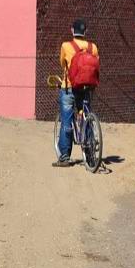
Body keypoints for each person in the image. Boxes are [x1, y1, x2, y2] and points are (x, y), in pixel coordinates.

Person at [54, 19, 99, 167]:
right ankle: (91, 152)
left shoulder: (66, 46)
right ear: (85, 32)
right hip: (86, 88)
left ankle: (64, 158)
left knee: (66, 121)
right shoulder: (93, 47)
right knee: (85, 116)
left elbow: (63, 64)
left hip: (69, 88)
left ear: (72, 31)